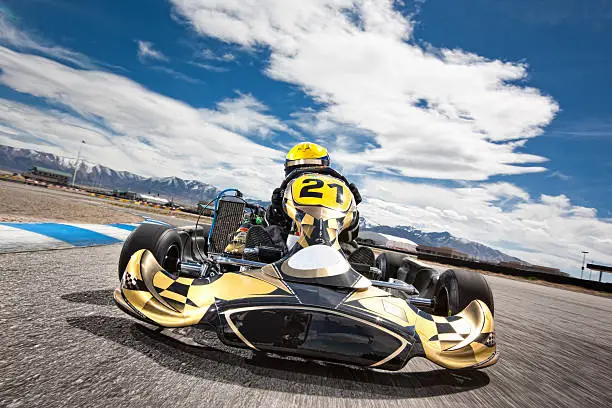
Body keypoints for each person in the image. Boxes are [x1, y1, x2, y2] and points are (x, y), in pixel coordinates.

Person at [252, 142, 373, 265]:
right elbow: (353, 231)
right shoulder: (288, 191)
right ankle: (272, 257)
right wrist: (277, 206)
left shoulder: (339, 189)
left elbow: (350, 232)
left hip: (330, 234)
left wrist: (351, 205)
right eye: (296, 168)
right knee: (272, 230)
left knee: (272, 230)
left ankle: (268, 257)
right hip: (298, 233)